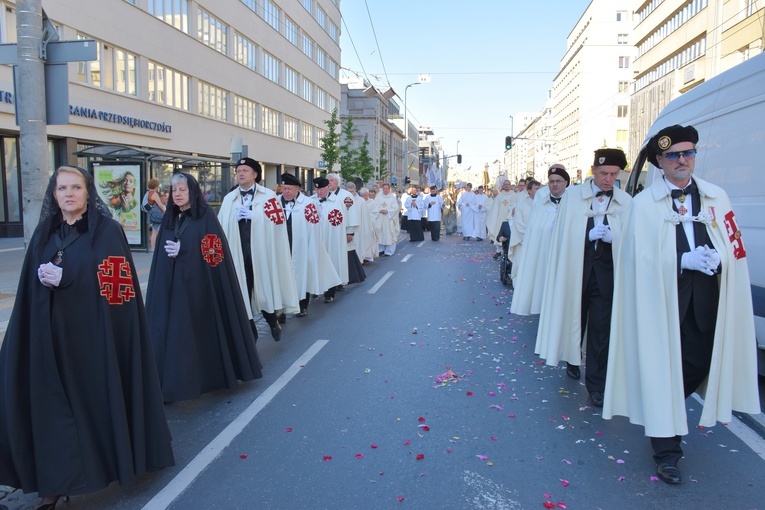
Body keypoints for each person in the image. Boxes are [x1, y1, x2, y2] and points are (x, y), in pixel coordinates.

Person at [0, 166, 174, 509]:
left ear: (87, 192)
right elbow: (27, 291)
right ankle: (55, 482)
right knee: (51, 410)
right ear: (54, 194)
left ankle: (105, 464)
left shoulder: (106, 231)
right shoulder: (44, 233)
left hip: (93, 341)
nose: (68, 194)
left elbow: (118, 291)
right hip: (49, 340)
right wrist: (45, 280)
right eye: (62, 188)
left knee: (89, 407)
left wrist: (70, 279)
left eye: (75, 187)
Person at [603, 125, 760, 485]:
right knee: (662, 372)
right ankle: (667, 450)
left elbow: (734, 246)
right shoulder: (643, 206)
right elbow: (635, 260)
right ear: (660, 161)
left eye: (688, 153)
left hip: (705, 301)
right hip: (662, 305)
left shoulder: (717, 197)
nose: (683, 160)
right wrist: (680, 261)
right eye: (674, 155)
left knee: (696, 365)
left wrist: (717, 258)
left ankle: (664, 409)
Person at [146, 172, 262, 402]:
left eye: (182, 190)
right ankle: (170, 383)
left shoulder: (205, 216)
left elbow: (214, 253)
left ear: (192, 191)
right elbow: (161, 254)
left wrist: (186, 251)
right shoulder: (169, 216)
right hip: (171, 288)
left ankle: (203, 379)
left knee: (195, 335)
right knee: (169, 334)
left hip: (198, 288)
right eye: (174, 190)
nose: (177, 194)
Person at [535, 149, 631, 407]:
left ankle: (596, 385)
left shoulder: (625, 200)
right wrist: (585, 236)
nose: (608, 179)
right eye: (603, 174)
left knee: (600, 330)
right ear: (593, 170)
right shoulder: (573, 196)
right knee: (574, 318)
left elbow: (633, 239)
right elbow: (562, 234)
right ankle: (572, 357)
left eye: (613, 174)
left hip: (606, 274)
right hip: (577, 269)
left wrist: (616, 238)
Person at [218, 157, 299, 342]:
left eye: (245, 170)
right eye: (238, 170)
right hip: (239, 253)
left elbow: (278, 223)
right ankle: (250, 335)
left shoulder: (268, 196)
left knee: (263, 289)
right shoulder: (230, 198)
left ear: (255, 174)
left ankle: (272, 321)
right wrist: (234, 219)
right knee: (242, 291)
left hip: (261, 253)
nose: (240, 173)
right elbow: (221, 225)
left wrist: (257, 217)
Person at [510, 165, 569, 315]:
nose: (555, 184)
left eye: (558, 181)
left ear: (566, 182)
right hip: (545, 253)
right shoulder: (541, 204)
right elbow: (533, 228)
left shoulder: (573, 202)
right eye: (551, 181)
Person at [279, 173, 341, 316]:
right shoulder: (275, 202)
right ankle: (281, 309)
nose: (286, 192)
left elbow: (314, 227)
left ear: (297, 189)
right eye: (284, 188)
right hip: (282, 246)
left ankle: (302, 305)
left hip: (301, 246)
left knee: (302, 275)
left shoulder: (308, 204)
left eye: (290, 189)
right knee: (281, 276)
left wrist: (312, 247)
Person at [313, 177, 348, 303]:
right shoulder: (311, 201)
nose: (319, 192)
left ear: (327, 188)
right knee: (315, 263)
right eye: (317, 189)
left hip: (330, 237)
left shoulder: (337, 201)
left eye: (321, 189)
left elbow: (339, 221)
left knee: (331, 262)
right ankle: (315, 289)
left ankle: (330, 292)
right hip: (316, 238)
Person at [328, 174, 364, 284]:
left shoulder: (346, 196)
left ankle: (344, 279)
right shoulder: (324, 195)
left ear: (338, 183)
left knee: (344, 255)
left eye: (331, 180)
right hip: (329, 231)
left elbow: (351, 214)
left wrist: (350, 232)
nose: (329, 182)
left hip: (343, 231)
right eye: (327, 181)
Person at [507, 180, 541, 282]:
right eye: (536, 189)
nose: (539, 191)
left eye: (540, 189)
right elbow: (519, 224)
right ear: (529, 191)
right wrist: (532, 235)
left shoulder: (544, 204)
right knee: (521, 269)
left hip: (538, 243)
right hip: (523, 241)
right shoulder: (522, 205)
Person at [488, 180, 518, 258]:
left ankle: (509, 251)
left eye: (508, 184)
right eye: (505, 184)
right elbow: (495, 208)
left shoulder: (514, 195)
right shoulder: (500, 196)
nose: (507, 186)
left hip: (510, 218)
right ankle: (498, 251)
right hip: (500, 218)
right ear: (503, 186)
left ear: (510, 185)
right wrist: (495, 217)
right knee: (499, 233)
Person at [370, 183, 399, 256]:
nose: (385, 190)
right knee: (380, 234)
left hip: (389, 219)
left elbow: (396, 208)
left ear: (389, 189)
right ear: (382, 189)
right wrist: (380, 210)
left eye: (387, 188)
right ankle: (380, 249)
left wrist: (388, 211)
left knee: (389, 234)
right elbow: (375, 206)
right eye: (384, 188)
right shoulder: (378, 196)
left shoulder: (392, 198)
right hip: (380, 218)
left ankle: (389, 251)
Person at [144, 178, 166, 252]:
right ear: (156, 186)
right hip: (157, 214)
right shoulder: (154, 194)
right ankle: (153, 248)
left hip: (152, 213)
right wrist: (165, 211)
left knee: (154, 230)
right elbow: (160, 205)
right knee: (155, 231)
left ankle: (153, 247)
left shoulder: (148, 193)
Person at [357, 187, 378, 263]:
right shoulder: (358, 202)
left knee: (369, 239)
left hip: (369, 225)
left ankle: (368, 256)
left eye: (365, 195)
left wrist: (367, 216)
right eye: (362, 195)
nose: (364, 197)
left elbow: (375, 213)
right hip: (361, 225)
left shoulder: (372, 203)